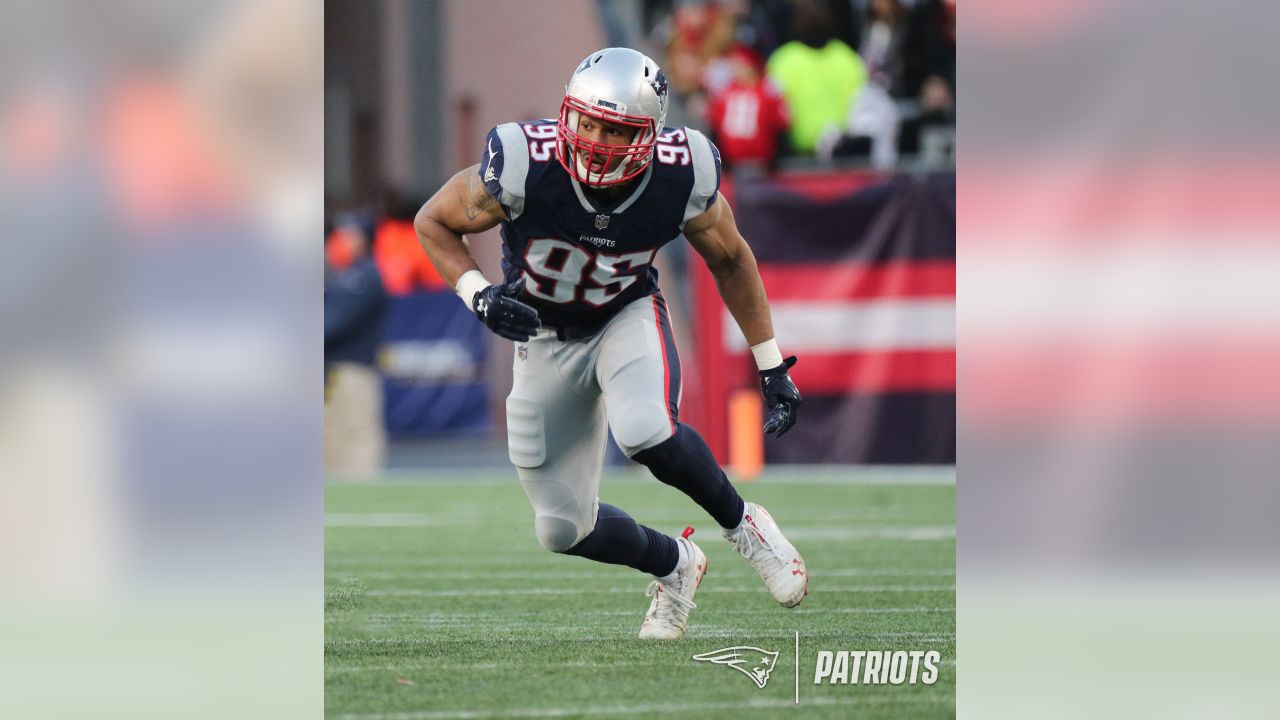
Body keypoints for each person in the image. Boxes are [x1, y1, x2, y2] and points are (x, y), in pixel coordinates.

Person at [414, 47, 806, 640]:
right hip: (544, 337)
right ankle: (675, 566)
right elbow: (433, 220)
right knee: (561, 529)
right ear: (566, 113)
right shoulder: (525, 161)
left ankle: (745, 526)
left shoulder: (683, 172)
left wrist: (770, 364)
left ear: (649, 136)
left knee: (644, 429)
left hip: (624, 313)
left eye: (615, 130)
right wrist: (480, 294)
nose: (595, 142)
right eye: (587, 123)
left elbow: (731, 257)